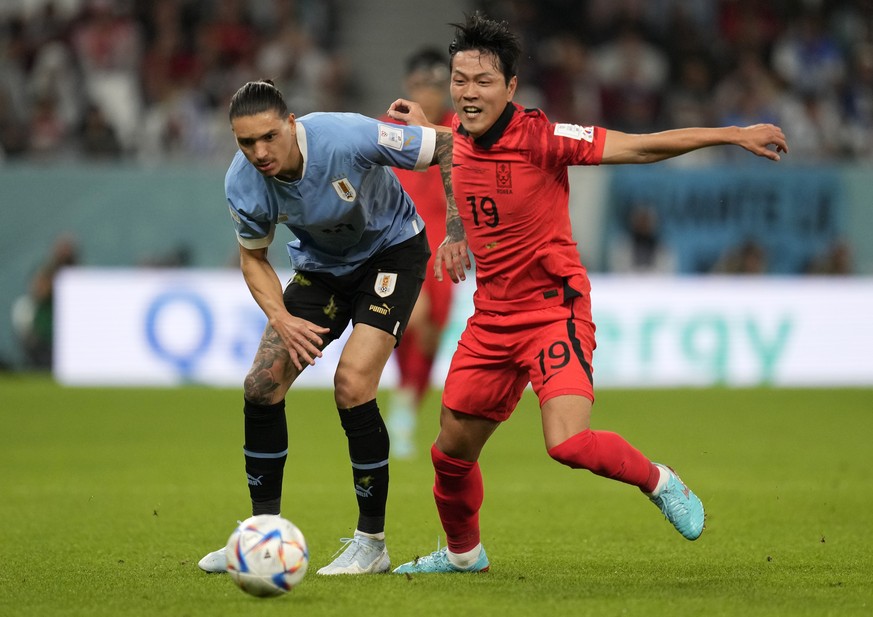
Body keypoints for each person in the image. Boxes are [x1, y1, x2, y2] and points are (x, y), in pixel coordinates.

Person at [386, 12, 789, 574]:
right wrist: (455, 229)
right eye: (460, 80)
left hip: (554, 311)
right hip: (491, 319)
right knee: (449, 453)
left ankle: (660, 480)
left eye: (483, 82)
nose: (469, 92)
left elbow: (642, 147)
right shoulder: (451, 133)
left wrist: (732, 134)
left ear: (510, 88)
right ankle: (462, 555)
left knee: (568, 444)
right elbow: (449, 157)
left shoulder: (544, 137)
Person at [197, 79, 455, 576]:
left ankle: (371, 543)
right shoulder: (243, 181)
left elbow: (445, 145)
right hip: (322, 268)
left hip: (393, 254)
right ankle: (261, 537)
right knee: (261, 385)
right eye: (246, 142)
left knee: (352, 383)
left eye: (269, 136)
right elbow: (253, 259)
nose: (259, 152)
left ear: (292, 124)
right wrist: (282, 317)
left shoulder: (346, 136)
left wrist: (459, 228)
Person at [381, 47, 456, 459]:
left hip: (446, 251)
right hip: (401, 245)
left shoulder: (459, 131)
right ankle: (403, 408)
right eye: (419, 86)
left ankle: (407, 405)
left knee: (430, 335)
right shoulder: (388, 130)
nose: (427, 95)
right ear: (408, 87)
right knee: (411, 322)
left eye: (434, 86)